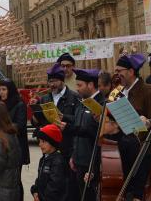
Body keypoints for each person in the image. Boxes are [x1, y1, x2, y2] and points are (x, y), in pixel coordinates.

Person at [104, 53, 151, 201]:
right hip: (122, 153)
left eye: (119, 71)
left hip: (142, 156)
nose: (116, 75)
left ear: (131, 71)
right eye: (115, 71)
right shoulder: (116, 93)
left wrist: (148, 121)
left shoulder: (149, 92)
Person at [31, 63, 79, 201]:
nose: (52, 85)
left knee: (67, 187)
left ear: (62, 80)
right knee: (48, 180)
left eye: (55, 81)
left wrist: (65, 119)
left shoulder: (74, 98)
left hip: (66, 148)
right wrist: (35, 114)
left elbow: (78, 120)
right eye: (50, 81)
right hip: (49, 149)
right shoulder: (45, 99)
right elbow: (38, 122)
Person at [65, 68, 105, 201]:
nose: (77, 89)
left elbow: (98, 135)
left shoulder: (102, 104)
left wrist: (94, 167)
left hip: (92, 163)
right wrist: (73, 155)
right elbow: (78, 130)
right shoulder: (82, 102)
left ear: (91, 85)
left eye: (80, 85)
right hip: (78, 161)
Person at [0, 79, 29, 201]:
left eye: (4, 89)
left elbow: (20, 125)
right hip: (1, 146)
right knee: (5, 180)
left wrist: (1, 128)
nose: (1, 92)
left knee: (15, 180)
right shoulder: (0, 104)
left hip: (16, 147)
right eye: (0, 89)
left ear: (10, 90)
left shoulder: (19, 104)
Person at [31, 124, 66, 201]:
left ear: (53, 143)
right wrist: (35, 191)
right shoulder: (44, 158)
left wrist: (41, 198)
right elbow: (40, 179)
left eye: (43, 141)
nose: (40, 144)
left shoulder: (57, 161)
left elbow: (54, 186)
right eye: (39, 141)